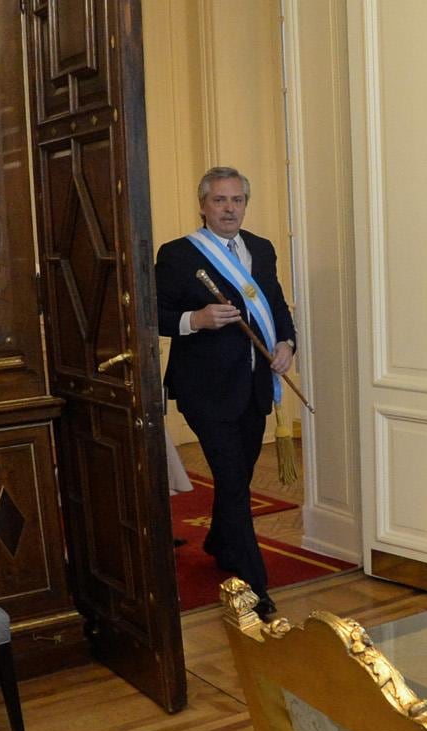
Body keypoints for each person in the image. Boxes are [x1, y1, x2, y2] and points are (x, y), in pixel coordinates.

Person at [155, 166, 295, 619]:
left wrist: (287, 344)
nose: (229, 208)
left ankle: (218, 539)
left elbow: (275, 303)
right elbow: (153, 314)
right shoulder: (177, 255)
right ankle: (254, 582)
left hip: (255, 385)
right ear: (203, 205)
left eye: (237, 200)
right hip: (205, 390)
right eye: (219, 200)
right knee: (233, 480)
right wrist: (194, 321)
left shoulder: (260, 248)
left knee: (238, 476)